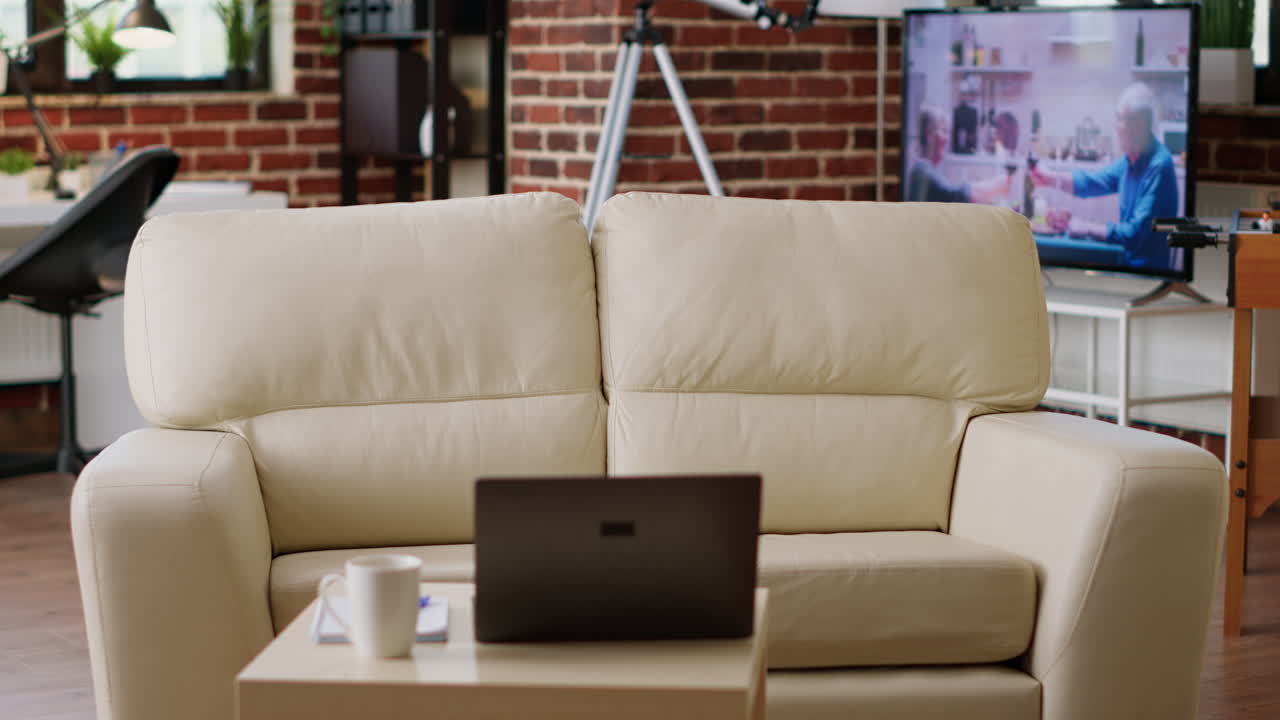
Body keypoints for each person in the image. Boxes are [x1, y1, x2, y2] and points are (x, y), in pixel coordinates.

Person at [1028, 83, 1179, 269]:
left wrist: (1086, 227)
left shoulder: (1159, 166)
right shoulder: (1131, 160)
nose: (1118, 128)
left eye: (1124, 121)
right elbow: (1092, 182)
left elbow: (1136, 232)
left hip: (1144, 269)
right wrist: (1049, 177)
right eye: (1119, 120)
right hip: (1125, 259)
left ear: (1142, 126)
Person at [905, 106, 1014, 204]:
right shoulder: (922, 169)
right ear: (930, 135)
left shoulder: (925, 169)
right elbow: (955, 194)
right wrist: (996, 185)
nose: (948, 139)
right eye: (944, 131)